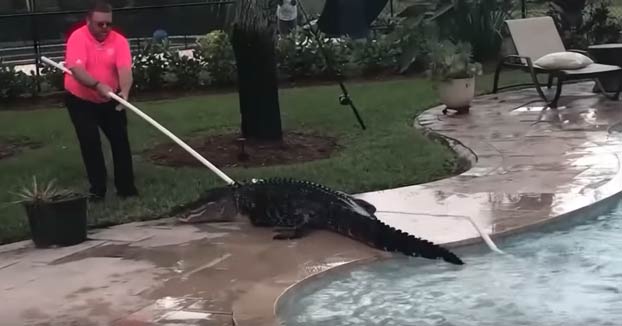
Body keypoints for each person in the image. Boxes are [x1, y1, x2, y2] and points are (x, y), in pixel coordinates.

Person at [63, 0, 138, 201]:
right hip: (80, 100)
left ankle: (126, 188)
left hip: (110, 99)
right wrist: (97, 85)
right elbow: (77, 70)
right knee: (90, 142)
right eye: (100, 24)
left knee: (120, 141)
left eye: (109, 24)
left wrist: (124, 94)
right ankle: (97, 190)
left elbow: (124, 70)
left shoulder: (119, 41)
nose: (105, 28)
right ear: (88, 21)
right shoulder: (77, 38)